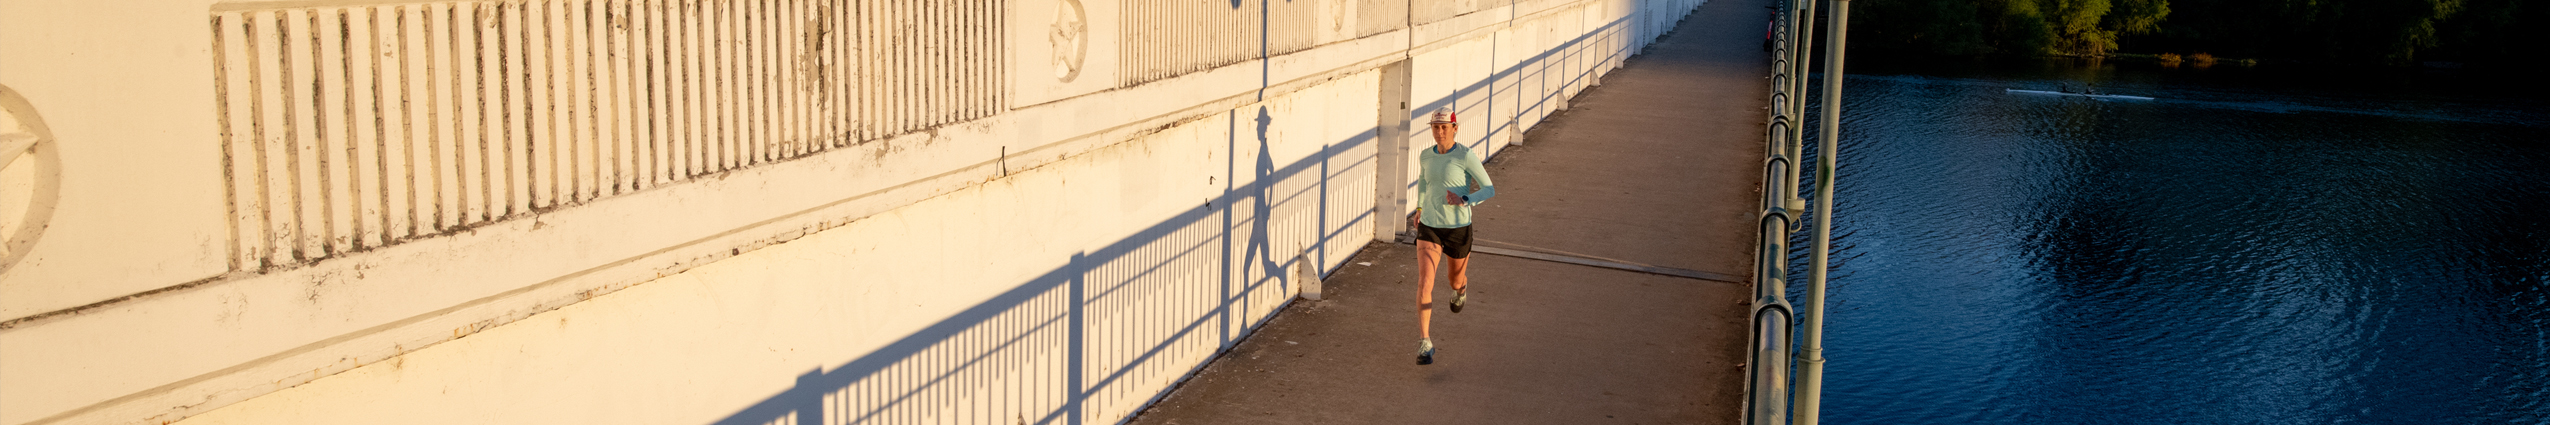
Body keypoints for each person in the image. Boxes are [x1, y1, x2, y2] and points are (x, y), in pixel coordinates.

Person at [1409, 108, 1495, 365]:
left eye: (1444, 127)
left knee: (1454, 280)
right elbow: (1424, 182)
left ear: (1455, 128)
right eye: (1435, 126)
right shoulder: (1426, 155)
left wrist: (1465, 199)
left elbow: (1489, 189)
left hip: (1458, 228)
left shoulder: (1466, 155)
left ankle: (1461, 289)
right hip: (1430, 226)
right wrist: (1420, 207)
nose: (1439, 131)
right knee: (1425, 281)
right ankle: (1425, 342)